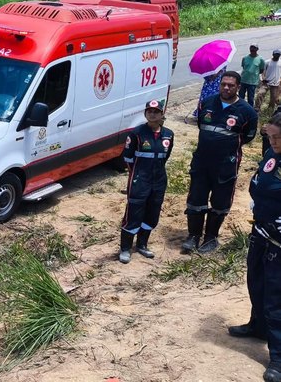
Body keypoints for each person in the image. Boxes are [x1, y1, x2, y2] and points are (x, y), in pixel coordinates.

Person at [227, 113, 281, 382]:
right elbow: (260, 180)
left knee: (275, 297)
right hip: (261, 230)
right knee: (255, 281)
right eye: (270, 135)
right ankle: (257, 326)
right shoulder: (272, 154)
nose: (273, 141)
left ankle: (278, 357)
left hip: (279, 240)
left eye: (277, 136)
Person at [182, 70, 258, 254]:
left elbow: (247, 136)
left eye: (231, 85)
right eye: (223, 84)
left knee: (220, 201)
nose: (226, 88)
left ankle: (211, 238)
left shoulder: (247, 112)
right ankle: (193, 236)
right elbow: (202, 125)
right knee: (196, 199)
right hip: (202, 161)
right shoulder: (207, 103)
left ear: (238, 87)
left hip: (226, 165)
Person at [118, 99, 175, 263]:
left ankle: (142, 245)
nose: (152, 114)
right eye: (149, 111)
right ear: (145, 113)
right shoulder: (136, 134)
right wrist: (137, 176)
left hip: (159, 180)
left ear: (162, 114)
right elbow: (128, 158)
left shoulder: (168, 134)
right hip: (140, 180)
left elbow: (165, 156)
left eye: (156, 111)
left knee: (152, 213)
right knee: (133, 213)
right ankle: (125, 248)